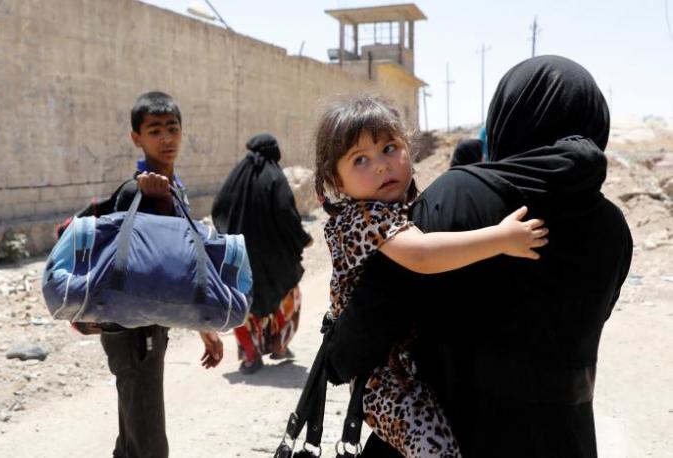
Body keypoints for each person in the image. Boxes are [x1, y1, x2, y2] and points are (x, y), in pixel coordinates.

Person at [325, 56, 633, 458]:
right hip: (563, 440)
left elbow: (369, 327)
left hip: (455, 433)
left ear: (508, 116)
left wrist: (334, 355)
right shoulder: (613, 229)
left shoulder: (460, 195)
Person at [313, 95, 549, 457]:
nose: (381, 166)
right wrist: (502, 239)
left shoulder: (391, 208)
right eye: (360, 159)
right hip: (386, 383)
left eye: (390, 148)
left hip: (400, 368)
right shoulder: (365, 217)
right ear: (335, 181)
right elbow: (423, 255)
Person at [100, 91, 224, 458]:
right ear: (136, 138)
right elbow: (153, 268)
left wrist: (204, 328)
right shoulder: (136, 192)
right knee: (148, 443)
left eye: (173, 128)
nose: (167, 138)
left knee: (136, 438)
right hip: (132, 333)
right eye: (155, 130)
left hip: (148, 326)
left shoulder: (172, 188)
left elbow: (182, 265)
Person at [211, 133, 312, 374]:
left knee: (243, 300)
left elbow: (218, 208)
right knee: (286, 293)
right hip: (274, 257)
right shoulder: (275, 176)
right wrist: (302, 238)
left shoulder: (237, 175)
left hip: (241, 254)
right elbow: (286, 213)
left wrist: (227, 236)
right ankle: (278, 344)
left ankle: (250, 355)